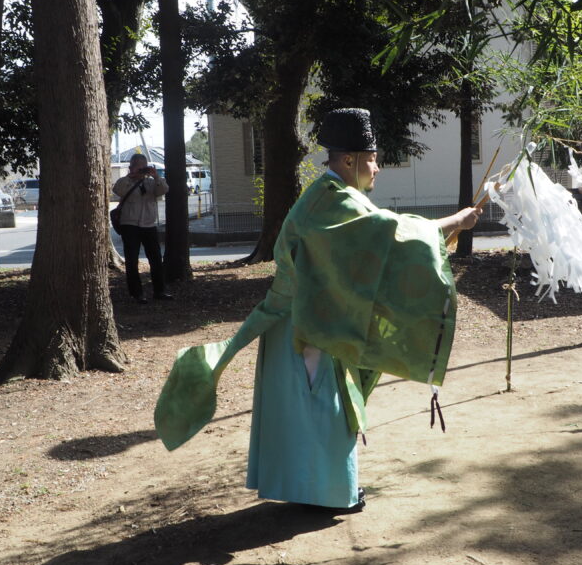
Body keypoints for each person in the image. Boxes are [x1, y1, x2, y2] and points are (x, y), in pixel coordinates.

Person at [154, 108, 481, 512]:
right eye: (373, 158)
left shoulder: (331, 196)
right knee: (326, 409)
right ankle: (330, 495)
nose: (377, 168)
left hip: (310, 317)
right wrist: (455, 221)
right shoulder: (331, 200)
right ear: (350, 160)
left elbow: (376, 244)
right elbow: (393, 233)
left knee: (309, 410)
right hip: (308, 324)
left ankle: (312, 490)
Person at [113, 154, 172, 304]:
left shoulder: (152, 183)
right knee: (132, 261)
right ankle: (136, 293)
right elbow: (117, 190)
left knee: (156, 259)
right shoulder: (125, 181)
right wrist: (130, 177)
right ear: (131, 167)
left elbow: (164, 189)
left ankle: (159, 291)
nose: (140, 168)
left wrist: (155, 176)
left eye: (143, 165)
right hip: (129, 225)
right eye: (137, 165)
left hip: (149, 224)